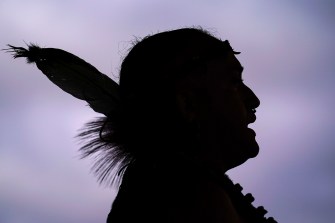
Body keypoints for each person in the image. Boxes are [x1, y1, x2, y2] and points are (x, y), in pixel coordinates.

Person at [6, 27, 277, 223]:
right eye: (234, 81)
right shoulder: (186, 195)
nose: (253, 100)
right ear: (187, 104)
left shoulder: (170, 186)